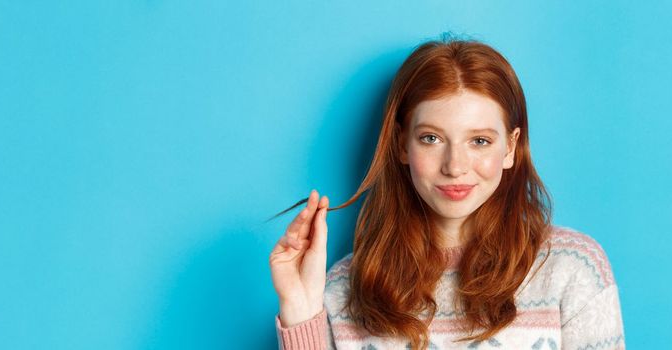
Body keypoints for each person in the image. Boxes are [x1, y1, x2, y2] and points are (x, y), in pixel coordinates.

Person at [268, 35, 625, 350]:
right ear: (402, 145)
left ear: (510, 148)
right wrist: (301, 313)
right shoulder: (345, 286)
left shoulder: (573, 268)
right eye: (432, 138)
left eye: (480, 141)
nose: (455, 165)